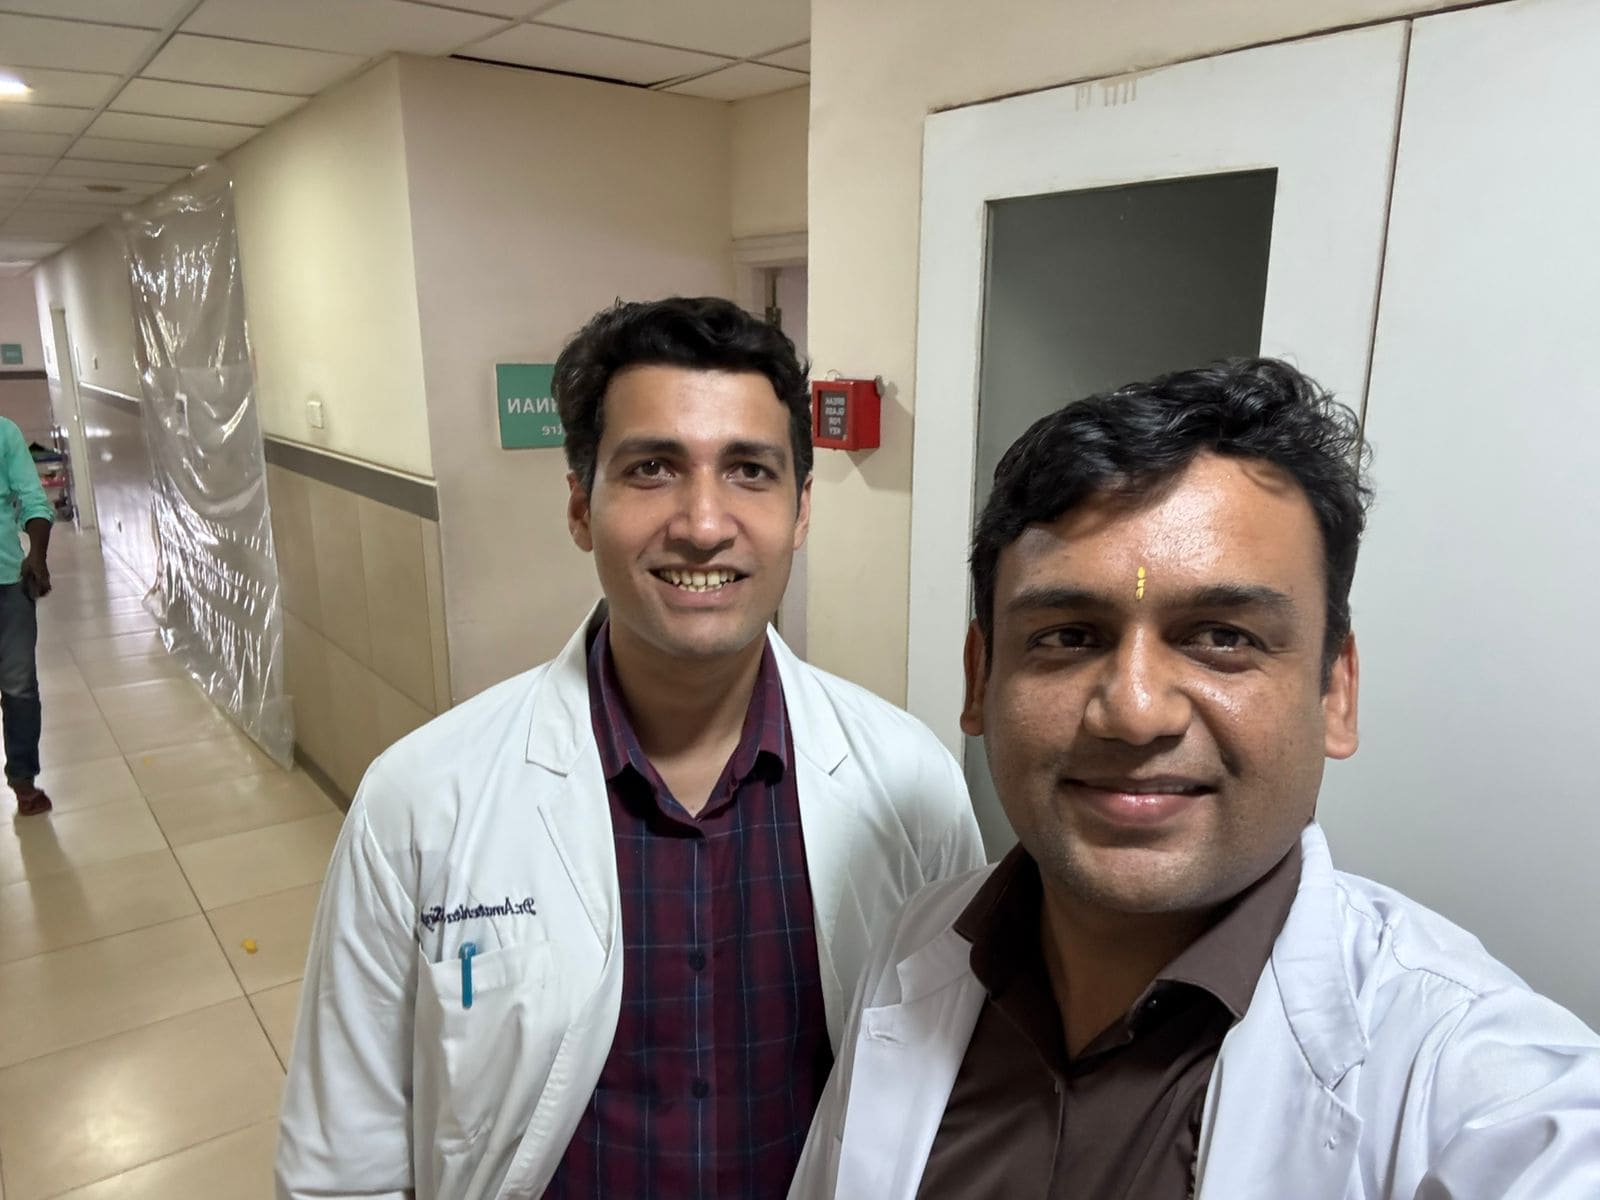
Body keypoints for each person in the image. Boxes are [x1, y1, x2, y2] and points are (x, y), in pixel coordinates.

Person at [791, 359, 1600, 1199]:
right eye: (1068, 636)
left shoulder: (1480, 1093)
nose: (1135, 711)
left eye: (1222, 637)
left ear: (1336, 692)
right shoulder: (919, 946)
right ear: (979, 679)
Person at [276, 297, 982, 1200]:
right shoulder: (421, 800)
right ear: (581, 505)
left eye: (750, 471)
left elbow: (953, 1099)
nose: (703, 523)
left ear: (801, 510)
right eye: (652, 468)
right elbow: (342, 1166)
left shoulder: (911, 784)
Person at [0, 415, 54, 816]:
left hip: (6, 583)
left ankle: (22, 778)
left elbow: (33, 500)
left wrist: (37, 555)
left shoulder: (4, 433)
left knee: (19, 687)